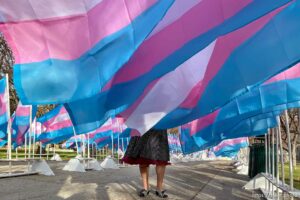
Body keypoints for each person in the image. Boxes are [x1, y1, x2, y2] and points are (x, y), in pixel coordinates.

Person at [122, 129, 170, 198]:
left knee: (161, 158)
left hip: (159, 124)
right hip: (143, 125)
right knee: (142, 158)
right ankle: (146, 188)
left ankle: (159, 188)